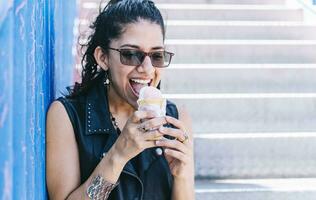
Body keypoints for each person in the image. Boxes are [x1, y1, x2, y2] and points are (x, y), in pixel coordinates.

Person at [46, 0, 194, 199]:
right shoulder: (67, 117)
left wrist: (182, 176)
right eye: (131, 54)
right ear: (103, 58)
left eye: (157, 55)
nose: (147, 69)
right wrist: (118, 155)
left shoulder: (176, 120)